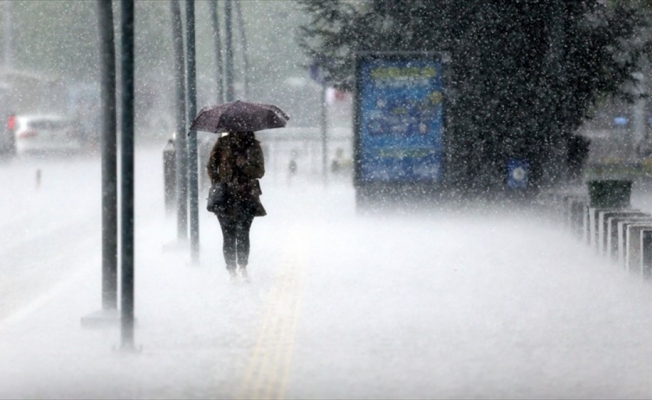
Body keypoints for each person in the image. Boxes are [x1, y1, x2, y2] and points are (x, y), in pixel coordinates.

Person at [207, 131, 266, 281]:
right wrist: (219, 183)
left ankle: (242, 267)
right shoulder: (222, 144)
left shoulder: (254, 145)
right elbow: (211, 166)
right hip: (225, 197)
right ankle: (231, 270)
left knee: (243, 233)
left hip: (246, 196)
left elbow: (260, 172)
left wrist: (244, 165)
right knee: (228, 235)